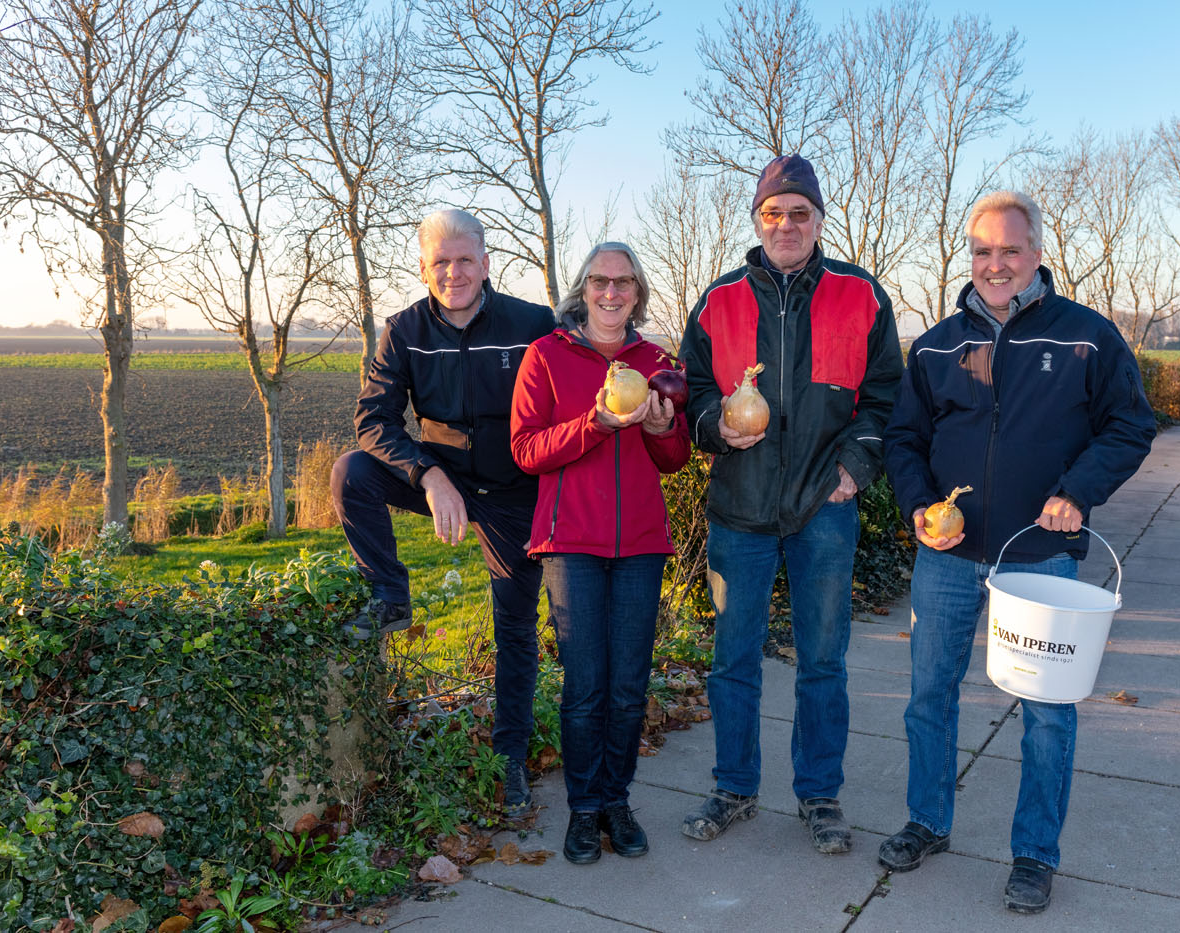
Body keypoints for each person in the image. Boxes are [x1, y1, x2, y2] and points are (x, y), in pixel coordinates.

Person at [881, 190, 1156, 913]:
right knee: (928, 697)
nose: (994, 264)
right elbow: (906, 438)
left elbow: (1130, 427)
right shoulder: (936, 344)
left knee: (1047, 712)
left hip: (1040, 559)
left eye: (1009, 250)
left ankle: (1034, 853)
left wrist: (1078, 491)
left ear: (1036, 252)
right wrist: (917, 505)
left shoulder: (1087, 337)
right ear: (967, 256)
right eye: (981, 251)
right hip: (947, 556)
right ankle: (926, 821)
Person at [676, 154, 903, 854]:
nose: (786, 224)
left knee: (823, 661)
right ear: (757, 220)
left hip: (823, 509)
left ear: (819, 220)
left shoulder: (860, 294)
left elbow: (886, 397)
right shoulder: (718, 301)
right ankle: (734, 786)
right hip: (739, 508)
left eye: (799, 212)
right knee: (733, 658)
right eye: (773, 212)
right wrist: (716, 426)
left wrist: (856, 466)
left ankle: (820, 795)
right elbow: (692, 397)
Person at [329, 208, 554, 819]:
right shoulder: (403, 330)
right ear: (424, 269)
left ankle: (509, 759)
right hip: (442, 477)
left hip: (514, 494)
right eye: (440, 262)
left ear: (486, 262)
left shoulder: (532, 324)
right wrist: (429, 477)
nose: (453, 272)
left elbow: (565, 406)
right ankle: (390, 598)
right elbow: (373, 421)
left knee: (515, 627)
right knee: (352, 471)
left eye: (464, 260)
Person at [510, 241, 690, 865]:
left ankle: (617, 799)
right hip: (572, 545)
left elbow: (675, 460)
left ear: (638, 292)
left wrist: (663, 429)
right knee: (586, 686)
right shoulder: (547, 356)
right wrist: (594, 425)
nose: (610, 293)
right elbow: (527, 451)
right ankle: (584, 810)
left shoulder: (656, 361)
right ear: (582, 291)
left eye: (623, 283)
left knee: (629, 686)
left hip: (641, 544)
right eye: (598, 282)